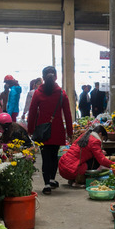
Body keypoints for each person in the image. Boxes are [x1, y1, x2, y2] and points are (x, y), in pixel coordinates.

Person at [27, 66, 73, 195]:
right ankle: (52, 179)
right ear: (56, 77)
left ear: (43, 78)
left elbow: (31, 113)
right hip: (57, 129)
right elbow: (68, 114)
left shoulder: (38, 93)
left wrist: (30, 129)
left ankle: (47, 183)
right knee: (54, 156)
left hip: (43, 130)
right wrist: (70, 132)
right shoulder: (61, 93)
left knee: (45, 157)